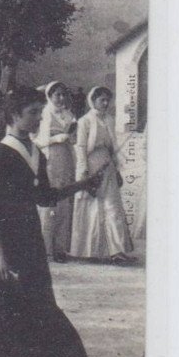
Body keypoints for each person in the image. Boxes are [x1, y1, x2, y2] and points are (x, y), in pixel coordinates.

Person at [0, 87, 101, 357]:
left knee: (38, 300)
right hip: (3, 241)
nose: (39, 119)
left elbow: (45, 197)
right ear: (14, 115)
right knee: (4, 305)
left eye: (41, 113)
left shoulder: (35, 152)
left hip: (30, 235)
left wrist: (82, 184)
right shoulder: (0, 154)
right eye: (32, 113)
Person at [69, 86, 135, 263]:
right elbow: (81, 147)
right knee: (92, 207)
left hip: (107, 165)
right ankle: (91, 251)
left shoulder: (110, 120)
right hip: (91, 166)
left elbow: (114, 147)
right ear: (93, 100)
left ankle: (117, 251)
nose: (105, 103)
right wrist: (83, 173)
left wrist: (117, 168)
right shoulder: (85, 121)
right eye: (101, 100)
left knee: (112, 207)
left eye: (107, 100)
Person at [35, 81, 77, 262]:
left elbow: (75, 137)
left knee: (65, 203)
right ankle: (45, 248)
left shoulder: (68, 114)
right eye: (57, 95)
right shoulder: (45, 114)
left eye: (63, 95)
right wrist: (57, 138)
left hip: (67, 158)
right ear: (49, 96)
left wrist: (72, 136)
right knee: (51, 204)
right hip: (51, 159)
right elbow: (39, 140)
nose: (60, 98)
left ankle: (60, 247)